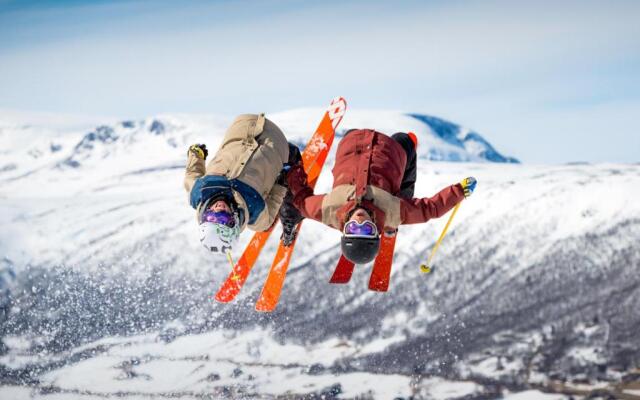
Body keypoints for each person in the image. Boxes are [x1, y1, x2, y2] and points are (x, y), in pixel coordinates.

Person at [283, 129, 477, 264]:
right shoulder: (392, 213)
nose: (359, 221)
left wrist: (291, 169)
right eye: (367, 229)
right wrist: (459, 191)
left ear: (344, 230)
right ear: (376, 230)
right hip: (391, 151)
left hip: (353, 141)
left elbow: (301, 200)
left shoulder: (329, 211)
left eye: (352, 228)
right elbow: (430, 209)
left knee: (355, 133)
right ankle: (399, 204)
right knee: (405, 141)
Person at [184, 113, 302, 254]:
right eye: (222, 218)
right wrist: (281, 184)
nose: (217, 209)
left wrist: (195, 154)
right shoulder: (256, 214)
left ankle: (290, 216)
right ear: (233, 221)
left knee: (266, 224)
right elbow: (275, 200)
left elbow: (192, 174)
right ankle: (290, 215)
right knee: (265, 224)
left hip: (243, 126)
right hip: (274, 139)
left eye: (211, 218)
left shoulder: (198, 192)